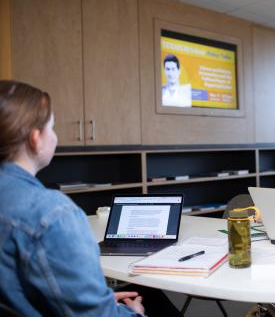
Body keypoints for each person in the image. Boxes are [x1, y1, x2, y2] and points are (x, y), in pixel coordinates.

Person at [0, 80, 182, 316]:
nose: (55, 137)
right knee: (150, 300)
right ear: (36, 139)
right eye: (52, 128)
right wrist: (131, 312)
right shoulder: (51, 214)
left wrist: (99, 299)